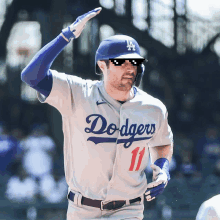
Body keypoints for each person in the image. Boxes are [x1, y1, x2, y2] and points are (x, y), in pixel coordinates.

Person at [21, 7, 173, 220]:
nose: (130, 67)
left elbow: (162, 143)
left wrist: (162, 170)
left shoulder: (153, 107)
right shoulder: (77, 92)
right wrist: (66, 36)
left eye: (135, 62)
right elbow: (31, 76)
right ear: (102, 65)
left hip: (128, 209)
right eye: (120, 62)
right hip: (82, 209)